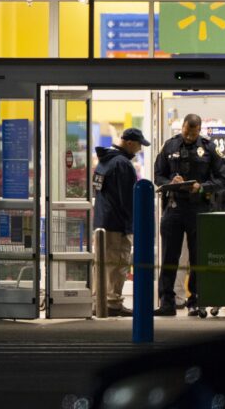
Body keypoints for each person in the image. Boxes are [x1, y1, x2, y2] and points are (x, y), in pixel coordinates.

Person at [154, 114, 225, 316]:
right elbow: (158, 175)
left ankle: (194, 300)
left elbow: (222, 180)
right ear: (182, 127)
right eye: (186, 131)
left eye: (192, 133)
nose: (188, 136)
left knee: (197, 258)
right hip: (174, 207)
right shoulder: (169, 146)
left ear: (199, 130)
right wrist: (171, 180)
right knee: (170, 256)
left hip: (198, 209)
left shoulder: (209, 148)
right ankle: (167, 302)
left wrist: (202, 187)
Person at [92, 127, 150, 317]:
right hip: (117, 224)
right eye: (139, 145)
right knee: (117, 264)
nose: (140, 149)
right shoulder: (122, 164)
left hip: (102, 222)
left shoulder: (104, 162)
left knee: (102, 265)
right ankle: (112, 303)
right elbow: (128, 199)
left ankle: (98, 301)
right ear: (130, 143)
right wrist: (133, 224)